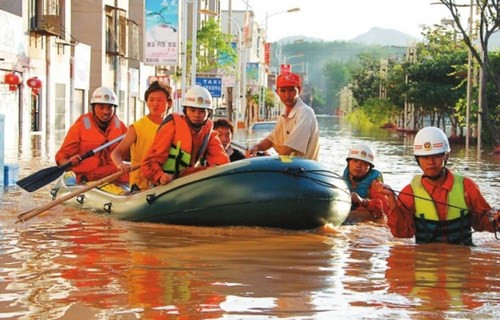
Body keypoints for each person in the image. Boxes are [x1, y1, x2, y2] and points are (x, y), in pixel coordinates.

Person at [381, 126, 500, 245]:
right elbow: (401, 233)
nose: (431, 162)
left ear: (446, 156)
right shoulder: (409, 193)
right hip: (426, 260)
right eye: (425, 157)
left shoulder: (467, 186)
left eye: (436, 156)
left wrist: (496, 220)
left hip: (461, 259)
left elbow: (483, 222)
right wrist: (392, 201)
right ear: (418, 159)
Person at [141, 85, 230, 186]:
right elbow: (149, 163)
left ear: (208, 113)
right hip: (163, 185)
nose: (197, 115)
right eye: (192, 110)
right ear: (185, 110)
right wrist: (160, 176)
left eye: (202, 111)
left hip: (186, 182)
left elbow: (222, 163)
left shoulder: (209, 134)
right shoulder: (172, 126)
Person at [55, 86, 128, 184]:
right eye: (101, 107)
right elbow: (61, 156)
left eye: (110, 107)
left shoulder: (122, 128)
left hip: (114, 175)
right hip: (87, 178)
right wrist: (68, 164)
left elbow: (131, 155)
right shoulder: (78, 128)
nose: (106, 111)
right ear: (93, 107)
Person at [111, 81, 172, 191]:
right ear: (147, 102)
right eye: (151, 100)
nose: (155, 104)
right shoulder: (137, 127)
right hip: (141, 187)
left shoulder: (173, 126)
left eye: (160, 100)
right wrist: (120, 165)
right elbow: (116, 153)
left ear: (169, 103)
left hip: (165, 183)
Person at [246, 72, 319, 160]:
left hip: (304, 170)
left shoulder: (305, 113)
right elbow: (272, 139)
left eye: (291, 90)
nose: (287, 95)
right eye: (283, 91)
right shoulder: (284, 114)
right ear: (277, 92)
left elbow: (287, 150)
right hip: (290, 167)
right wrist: (256, 147)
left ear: (299, 90)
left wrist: (267, 158)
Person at [342, 143, 389, 223]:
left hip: (361, 217)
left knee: (354, 216)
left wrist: (363, 201)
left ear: (369, 168)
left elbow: (384, 207)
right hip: (346, 214)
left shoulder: (375, 184)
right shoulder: (340, 181)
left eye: (364, 163)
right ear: (348, 162)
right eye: (355, 161)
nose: (358, 165)